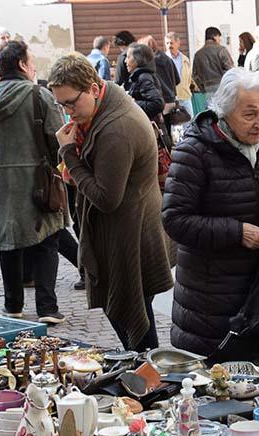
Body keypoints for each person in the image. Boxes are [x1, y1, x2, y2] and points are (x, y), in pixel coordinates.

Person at [162, 68, 259, 363]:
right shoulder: (194, 151)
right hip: (209, 309)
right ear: (223, 112)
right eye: (250, 114)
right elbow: (174, 219)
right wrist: (237, 233)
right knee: (216, 400)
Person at [49, 53, 173, 350]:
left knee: (136, 325)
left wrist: (68, 154)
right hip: (128, 229)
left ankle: (149, 384)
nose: (67, 112)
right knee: (134, 323)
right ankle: (145, 379)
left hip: (130, 236)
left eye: (71, 102)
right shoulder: (104, 105)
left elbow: (106, 198)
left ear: (93, 88)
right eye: (60, 104)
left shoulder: (116, 127)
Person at [0, 40, 65, 324]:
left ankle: (13, 304)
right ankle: (47, 308)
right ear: (22, 65)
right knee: (47, 241)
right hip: (37, 180)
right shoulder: (39, 95)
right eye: (31, 61)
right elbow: (56, 138)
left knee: (8, 244)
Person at [125, 43, 165, 122]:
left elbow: (158, 103)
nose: (125, 61)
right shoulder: (140, 76)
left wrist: (132, 103)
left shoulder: (144, 77)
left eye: (128, 57)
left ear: (138, 60)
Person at [192, 27, 234, 103]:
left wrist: (203, 89)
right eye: (219, 37)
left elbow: (195, 75)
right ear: (214, 36)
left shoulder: (198, 54)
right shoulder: (221, 50)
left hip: (207, 89)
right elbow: (230, 70)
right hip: (223, 88)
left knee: (212, 112)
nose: (220, 40)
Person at [166, 31, 194, 116]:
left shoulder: (185, 59)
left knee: (189, 123)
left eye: (171, 43)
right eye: (166, 43)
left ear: (178, 43)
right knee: (174, 126)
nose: (169, 45)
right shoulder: (164, 59)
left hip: (185, 96)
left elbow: (189, 78)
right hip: (171, 98)